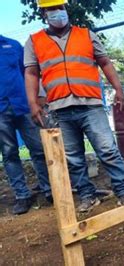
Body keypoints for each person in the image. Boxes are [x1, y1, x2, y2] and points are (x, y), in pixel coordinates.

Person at [24, 0, 124, 213]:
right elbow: (31, 73)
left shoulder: (86, 35)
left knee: (107, 150)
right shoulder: (34, 41)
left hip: (90, 104)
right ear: (44, 13)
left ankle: (123, 191)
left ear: (66, 9)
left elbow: (105, 62)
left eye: (60, 8)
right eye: (52, 9)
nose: (57, 12)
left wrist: (118, 89)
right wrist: (33, 103)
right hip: (59, 108)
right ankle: (87, 195)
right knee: (73, 158)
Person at [0, 34, 52, 215]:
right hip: (0, 111)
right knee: (9, 153)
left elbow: (30, 73)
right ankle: (22, 195)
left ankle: (49, 189)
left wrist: (38, 97)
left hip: (23, 106)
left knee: (38, 148)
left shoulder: (12, 45)